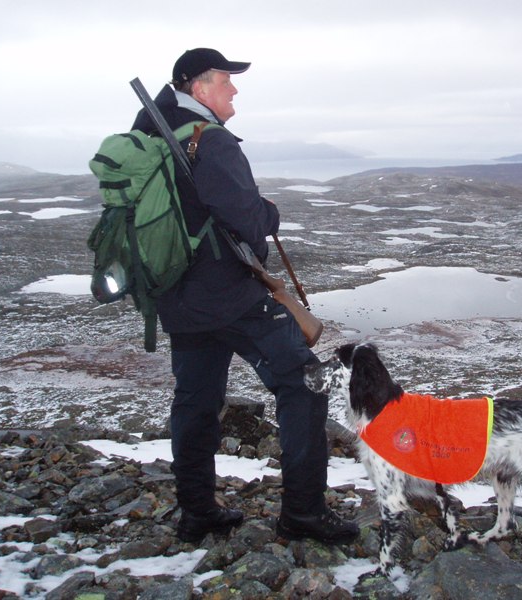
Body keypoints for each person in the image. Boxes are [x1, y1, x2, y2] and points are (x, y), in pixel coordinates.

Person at [130, 48, 358, 545]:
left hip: (179, 299)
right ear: (198, 87)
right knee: (302, 386)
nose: (234, 90)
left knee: (195, 402)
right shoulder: (208, 141)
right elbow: (248, 219)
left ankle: (197, 512)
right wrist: (269, 213)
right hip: (231, 296)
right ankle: (303, 515)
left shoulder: (148, 134)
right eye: (225, 80)